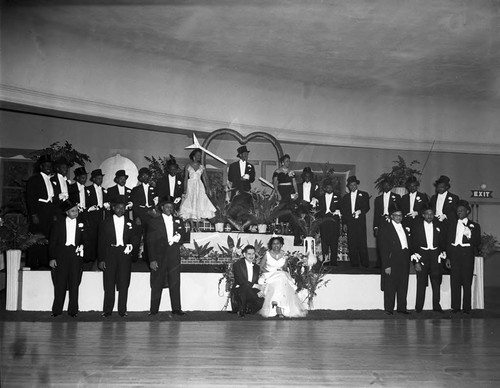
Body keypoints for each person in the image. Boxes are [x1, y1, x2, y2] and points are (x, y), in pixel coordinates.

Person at [98, 196, 136, 317]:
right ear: (113, 208)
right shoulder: (105, 223)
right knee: (109, 282)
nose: (120, 210)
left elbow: (135, 238)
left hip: (124, 253)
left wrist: (131, 246)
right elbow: (100, 242)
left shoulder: (130, 223)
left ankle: (122, 310)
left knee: (124, 282)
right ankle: (107, 310)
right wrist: (101, 259)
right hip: (110, 252)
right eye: (118, 207)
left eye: (123, 208)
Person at [147, 199, 186, 316]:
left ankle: (176, 308)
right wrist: (152, 259)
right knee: (157, 282)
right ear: (162, 207)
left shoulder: (178, 221)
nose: (169, 209)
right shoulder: (154, 222)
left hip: (173, 254)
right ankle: (153, 310)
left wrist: (179, 237)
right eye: (167, 207)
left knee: (175, 281)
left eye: (171, 207)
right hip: (159, 255)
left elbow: (184, 235)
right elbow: (150, 242)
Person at [49, 200, 87, 317]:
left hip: (75, 255)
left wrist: (82, 247)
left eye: (76, 210)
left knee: (74, 283)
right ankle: (57, 310)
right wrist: (52, 258)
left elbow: (86, 240)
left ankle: (73, 311)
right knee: (60, 283)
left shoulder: (82, 223)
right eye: (73, 211)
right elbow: (53, 242)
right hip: (62, 255)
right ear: (66, 212)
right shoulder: (58, 224)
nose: (76, 213)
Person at [445, 200, 481, 314]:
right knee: (454, 281)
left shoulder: (475, 226)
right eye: (458, 211)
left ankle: (466, 307)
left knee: (466, 281)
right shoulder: (452, 225)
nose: (459, 212)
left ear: (467, 211)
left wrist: (469, 235)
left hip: (467, 254)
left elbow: (477, 242)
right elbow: (448, 242)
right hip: (455, 253)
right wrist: (448, 257)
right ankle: (455, 306)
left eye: (461, 210)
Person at [258, 236, 307, 318]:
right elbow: (261, 267)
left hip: (281, 275)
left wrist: (290, 277)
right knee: (281, 278)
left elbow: (284, 268)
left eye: (278, 243)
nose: (275, 245)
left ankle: (279, 308)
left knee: (282, 280)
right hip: (269, 275)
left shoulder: (284, 255)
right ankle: (279, 310)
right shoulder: (267, 254)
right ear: (271, 245)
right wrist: (270, 273)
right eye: (273, 244)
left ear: (281, 245)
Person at [411, 205, 446, 313]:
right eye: (427, 214)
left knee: (436, 282)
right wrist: (415, 261)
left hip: (435, 255)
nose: (429, 216)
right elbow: (412, 245)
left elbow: (443, 242)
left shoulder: (439, 225)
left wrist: (442, 254)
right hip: (422, 255)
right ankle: (419, 307)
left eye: (431, 214)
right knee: (421, 282)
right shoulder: (416, 227)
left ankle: (436, 306)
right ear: (423, 215)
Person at [377, 203, 411, 315]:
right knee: (390, 285)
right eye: (396, 215)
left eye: (400, 215)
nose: (398, 217)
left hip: (404, 258)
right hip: (392, 259)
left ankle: (402, 308)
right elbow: (383, 249)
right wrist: (386, 265)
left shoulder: (404, 226)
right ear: (391, 216)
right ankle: (389, 309)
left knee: (403, 284)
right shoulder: (385, 228)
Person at [25, 154, 56, 269]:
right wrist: (33, 214)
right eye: (46, 165)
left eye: (50, 165)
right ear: (41, 167)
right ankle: (32, 264)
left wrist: (53, 215)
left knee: (48, 237)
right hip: (38, 212)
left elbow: (53, 199)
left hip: (49, 213)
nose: (48, 167)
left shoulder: (52, 181)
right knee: (36, 238)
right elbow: (30, 198)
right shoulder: (34, 179)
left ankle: (44, 263)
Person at [178, 148, 216, 229]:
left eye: (200, 156)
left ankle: (197, 226)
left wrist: (207, 188)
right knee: (190, 203)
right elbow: (185, 178)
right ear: (194, 156)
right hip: (190, 186)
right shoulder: (188, 165)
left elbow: (205, 178)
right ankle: (192, 226)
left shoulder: (202, 167)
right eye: (198, 155)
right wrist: (185, 190)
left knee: (199, 203)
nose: (199, 157)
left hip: (199, 186)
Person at [340, 176, 370, 268]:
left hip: (360, 222)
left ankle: (365, 263)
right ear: (348, 186)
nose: (352, 187)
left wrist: (360, 211)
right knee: (352, 243)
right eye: (350, 185)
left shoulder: (364, 194)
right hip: (350, 222)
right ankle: (354, 264)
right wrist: (344, 223)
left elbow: (367, 207)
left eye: (354, 185)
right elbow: (344, 212)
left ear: (357, 185)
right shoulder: (345, 197)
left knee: (362, 243)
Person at [130, 167, 157, 263]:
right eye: (143, 176)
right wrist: (136, 217)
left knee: (149, 237)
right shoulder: (135, 189)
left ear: (149, 177)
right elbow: (135, 205)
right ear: (140, 178)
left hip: (150, 215)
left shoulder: (153, 188)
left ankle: (147, 257)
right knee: (137, 237)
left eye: (147, 175)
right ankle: (134, 257)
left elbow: (156, 203)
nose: (145, 177)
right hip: (140, 214)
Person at [373, 178, 401, 268]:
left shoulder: (396, 197)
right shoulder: (378, 199)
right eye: (384, 185)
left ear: (391, 186)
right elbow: (376, 214)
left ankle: (391, 262)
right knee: (380, 242)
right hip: (381, 221)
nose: (386, 187)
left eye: (388, 185)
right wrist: (376, 227)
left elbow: (398, 210)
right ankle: (379, 262)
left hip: (391, 220)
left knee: (391, 241)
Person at [85, 169, 109, 267]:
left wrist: (106, 205)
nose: (100, 180)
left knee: (100, 235)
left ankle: (99, 256)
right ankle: (90, 257)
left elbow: (106, 202)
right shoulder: (88, 189)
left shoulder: (104, 190)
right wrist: (90, 208)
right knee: (91, 235)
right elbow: (85, 202)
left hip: (101, 214)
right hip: (91, 214)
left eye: (101, 178)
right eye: (98, 178)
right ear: (93, 179)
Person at [232, 245, 265, 317]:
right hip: (240, 289)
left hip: (251, 289)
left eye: (253, 254)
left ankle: (247, 309)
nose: (251, 256)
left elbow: (255, 281)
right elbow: (241, 280)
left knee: (261, 301)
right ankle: (241, 309)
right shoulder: (237, 264)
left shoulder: (256, 267)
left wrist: (260, 291)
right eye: (249, 254)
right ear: (244, 254)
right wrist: (256, 286)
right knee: (244, 287)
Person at [316, 179, 341, 266]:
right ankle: (325, 260)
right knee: (324, 241)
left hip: (334, 221)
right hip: (324, 221)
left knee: (334, 241)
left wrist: (338, 212)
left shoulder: (338, 197)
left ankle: (334, 261)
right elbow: (318, 210)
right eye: (327, 187)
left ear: (333, 188)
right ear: (324, 188)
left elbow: (342, 208)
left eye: (330, 187)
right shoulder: (320, 197)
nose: (329, 189)